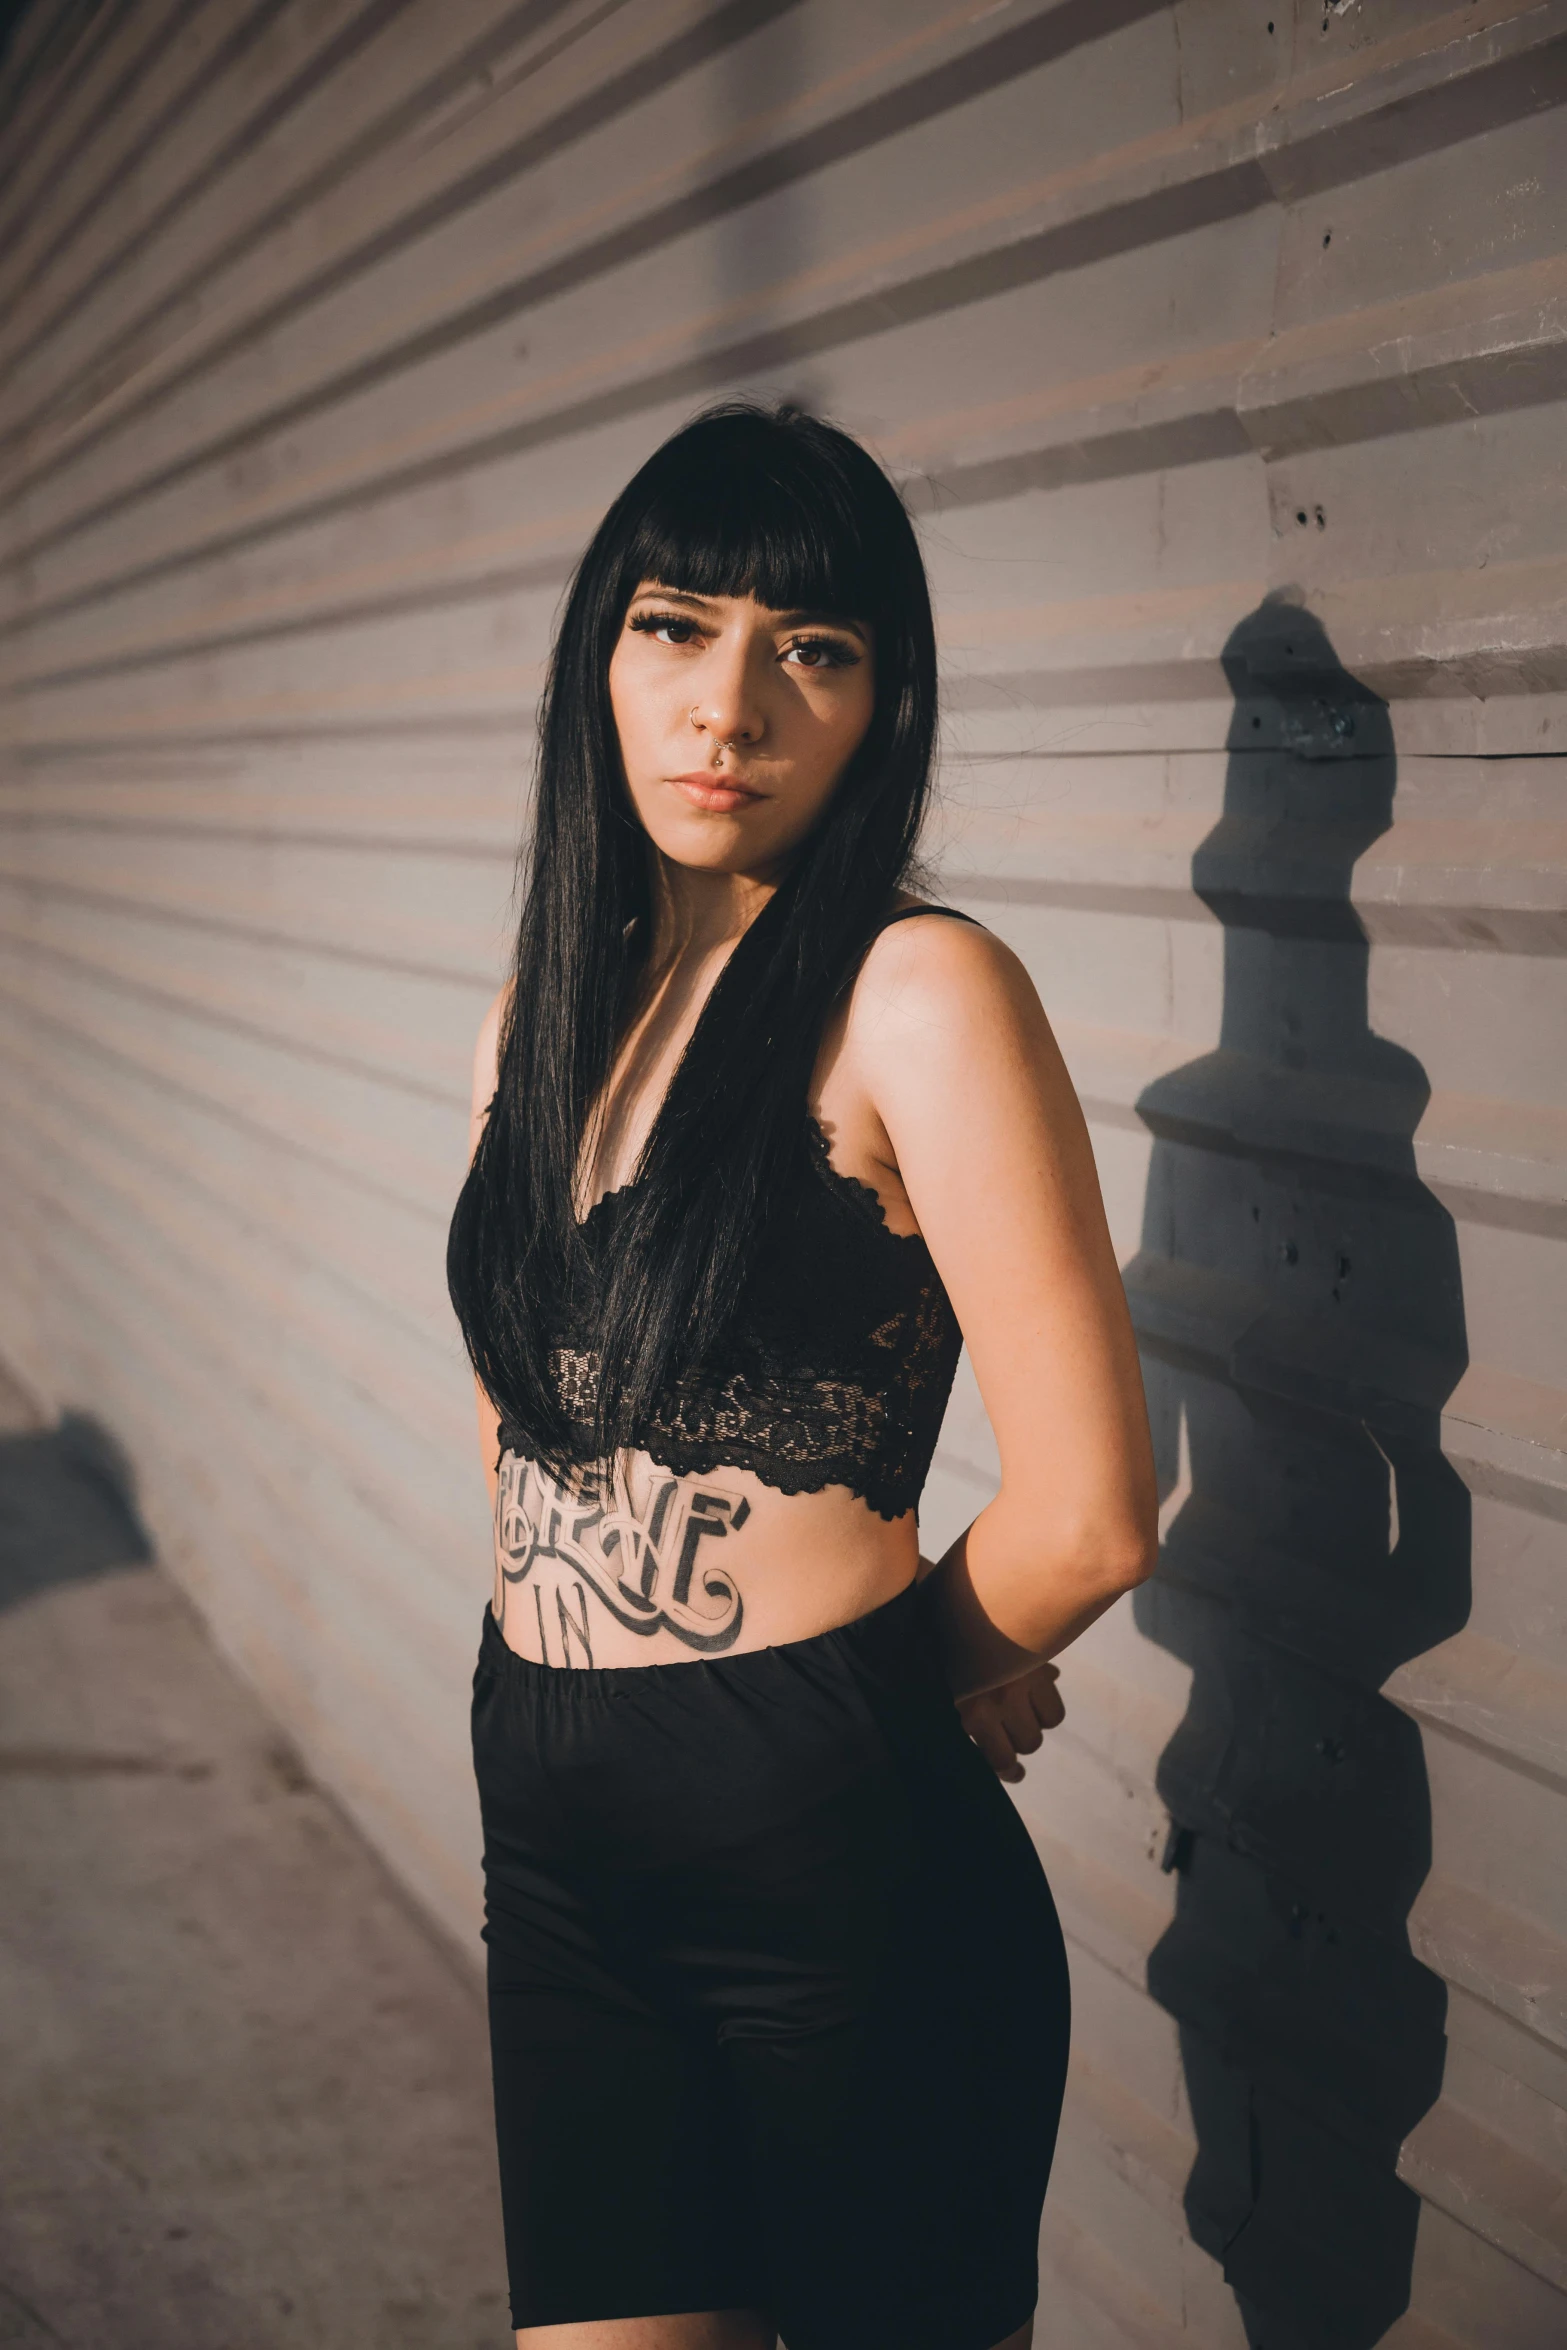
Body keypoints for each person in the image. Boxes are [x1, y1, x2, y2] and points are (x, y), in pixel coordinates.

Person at [447, 402, 1158, 2350]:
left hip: (840, 1882)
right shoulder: (544, 1007)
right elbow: (530, 1409)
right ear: (602, 651)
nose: (731, 702)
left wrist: (883, 1675)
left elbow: (1092, 1506)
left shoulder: (916, 992)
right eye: (677, 626)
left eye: (813, 649)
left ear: (881, 707)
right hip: (554, 1840)